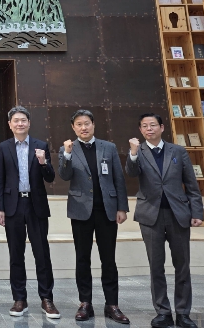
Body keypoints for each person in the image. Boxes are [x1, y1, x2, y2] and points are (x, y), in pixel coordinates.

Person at [126, 113, 204, 328]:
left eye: (153, 125)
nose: (149, 129)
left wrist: (197, 212)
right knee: (156, 266)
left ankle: (183, 313)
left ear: (162, 127)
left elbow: (191, 184)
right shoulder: (138, 151)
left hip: (178, 214)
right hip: (151, 216)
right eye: (144, 126)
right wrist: (133, 153)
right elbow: (131, 172)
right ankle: (162, 312)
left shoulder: (177, 151)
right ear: (140, 130)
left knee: (182, 265)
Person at [58, 110, 130, 323]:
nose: (84, 127)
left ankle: (112, 304)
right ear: (73, 127)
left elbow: (118, 178)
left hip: (107, 210)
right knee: (82, 258)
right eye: (79, 124)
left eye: (87, 123)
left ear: (93, 125)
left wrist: (122, 207)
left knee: (108, 259)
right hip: (81, 211)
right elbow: (64, 175)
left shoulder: (108, 147)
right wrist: (67, 155)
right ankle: (85, 303)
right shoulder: (67, 148)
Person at [0, 106, 59, 319]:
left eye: (23, 120)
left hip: (35, 204)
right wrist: (0, 208)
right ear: (10, 124)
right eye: (16, 120)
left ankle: (47, 298)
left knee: (42, 253)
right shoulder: (4, 147)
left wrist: (43, 162)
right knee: (16, 254)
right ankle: (19, 299)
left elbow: (50, 177)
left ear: (29, 123)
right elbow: (0, 179)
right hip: (13, 206)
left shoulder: (41, 145)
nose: (20, 123)